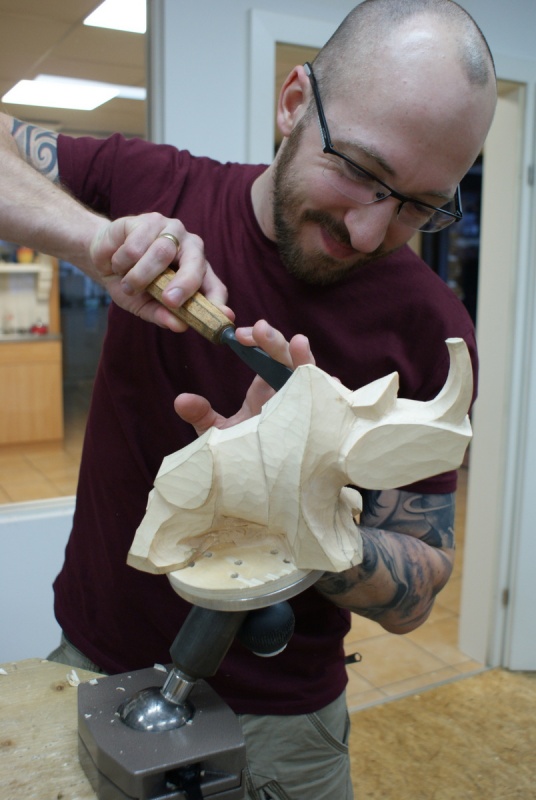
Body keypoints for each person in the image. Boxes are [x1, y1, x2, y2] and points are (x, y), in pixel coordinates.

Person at [0, 1, 496, 797]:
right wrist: (91, 241)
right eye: (360, 170)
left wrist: (299, 507)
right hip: (97, 665)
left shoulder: (430, 325)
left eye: (420, 205)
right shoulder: (153, 184)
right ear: (294, 103)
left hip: (285, 730)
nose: (370, 231)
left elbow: (418, 592)